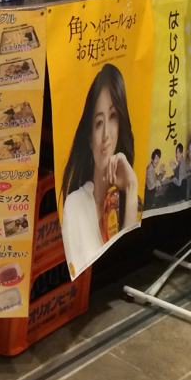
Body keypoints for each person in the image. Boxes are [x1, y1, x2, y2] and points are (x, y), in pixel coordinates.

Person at [61, 64, 139, 266]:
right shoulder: (75, 205)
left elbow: (129, 262)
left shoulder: (129, 197)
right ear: (89, 139)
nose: (106, 135)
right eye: (98, 123)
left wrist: (131, 188)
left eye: (113, 117)